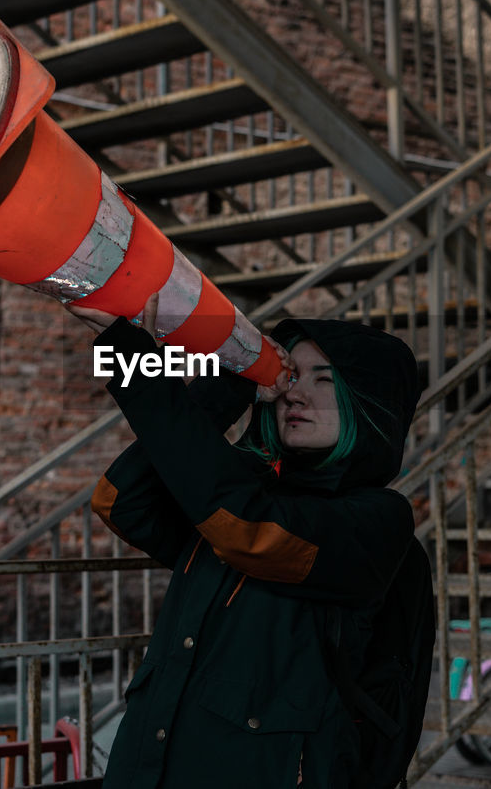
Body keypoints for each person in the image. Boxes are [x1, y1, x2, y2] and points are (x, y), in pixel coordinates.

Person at [68, 294, 419, 789]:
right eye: (291, 377)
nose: (296, 395)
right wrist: (229, 385)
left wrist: (134, 362)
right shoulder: (241, 489)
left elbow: (251, 531)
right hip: (149, 769)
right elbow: (123, 501)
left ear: (371, 401)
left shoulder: (376, 518)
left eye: (326, 380)